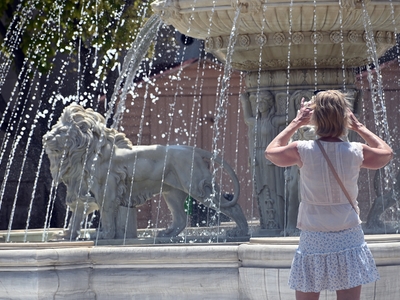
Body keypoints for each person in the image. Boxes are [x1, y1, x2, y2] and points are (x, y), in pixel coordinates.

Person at [265, 90, 393, 300]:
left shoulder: (302, 150)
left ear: (314, 118)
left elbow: (271, 152)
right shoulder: (356, 151)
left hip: (314, 236)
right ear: (344, 117)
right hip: (348, 235)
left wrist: (296, 123)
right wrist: (359, 127)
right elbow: (385, 153)